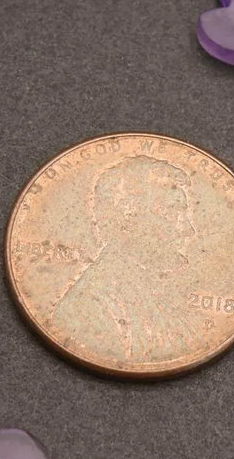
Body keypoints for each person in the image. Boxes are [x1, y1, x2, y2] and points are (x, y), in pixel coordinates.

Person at [51, 155, 198, 362]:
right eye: (172, 213)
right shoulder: (88, 309)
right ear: (128, 218)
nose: (188, 231)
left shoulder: (150, 291)